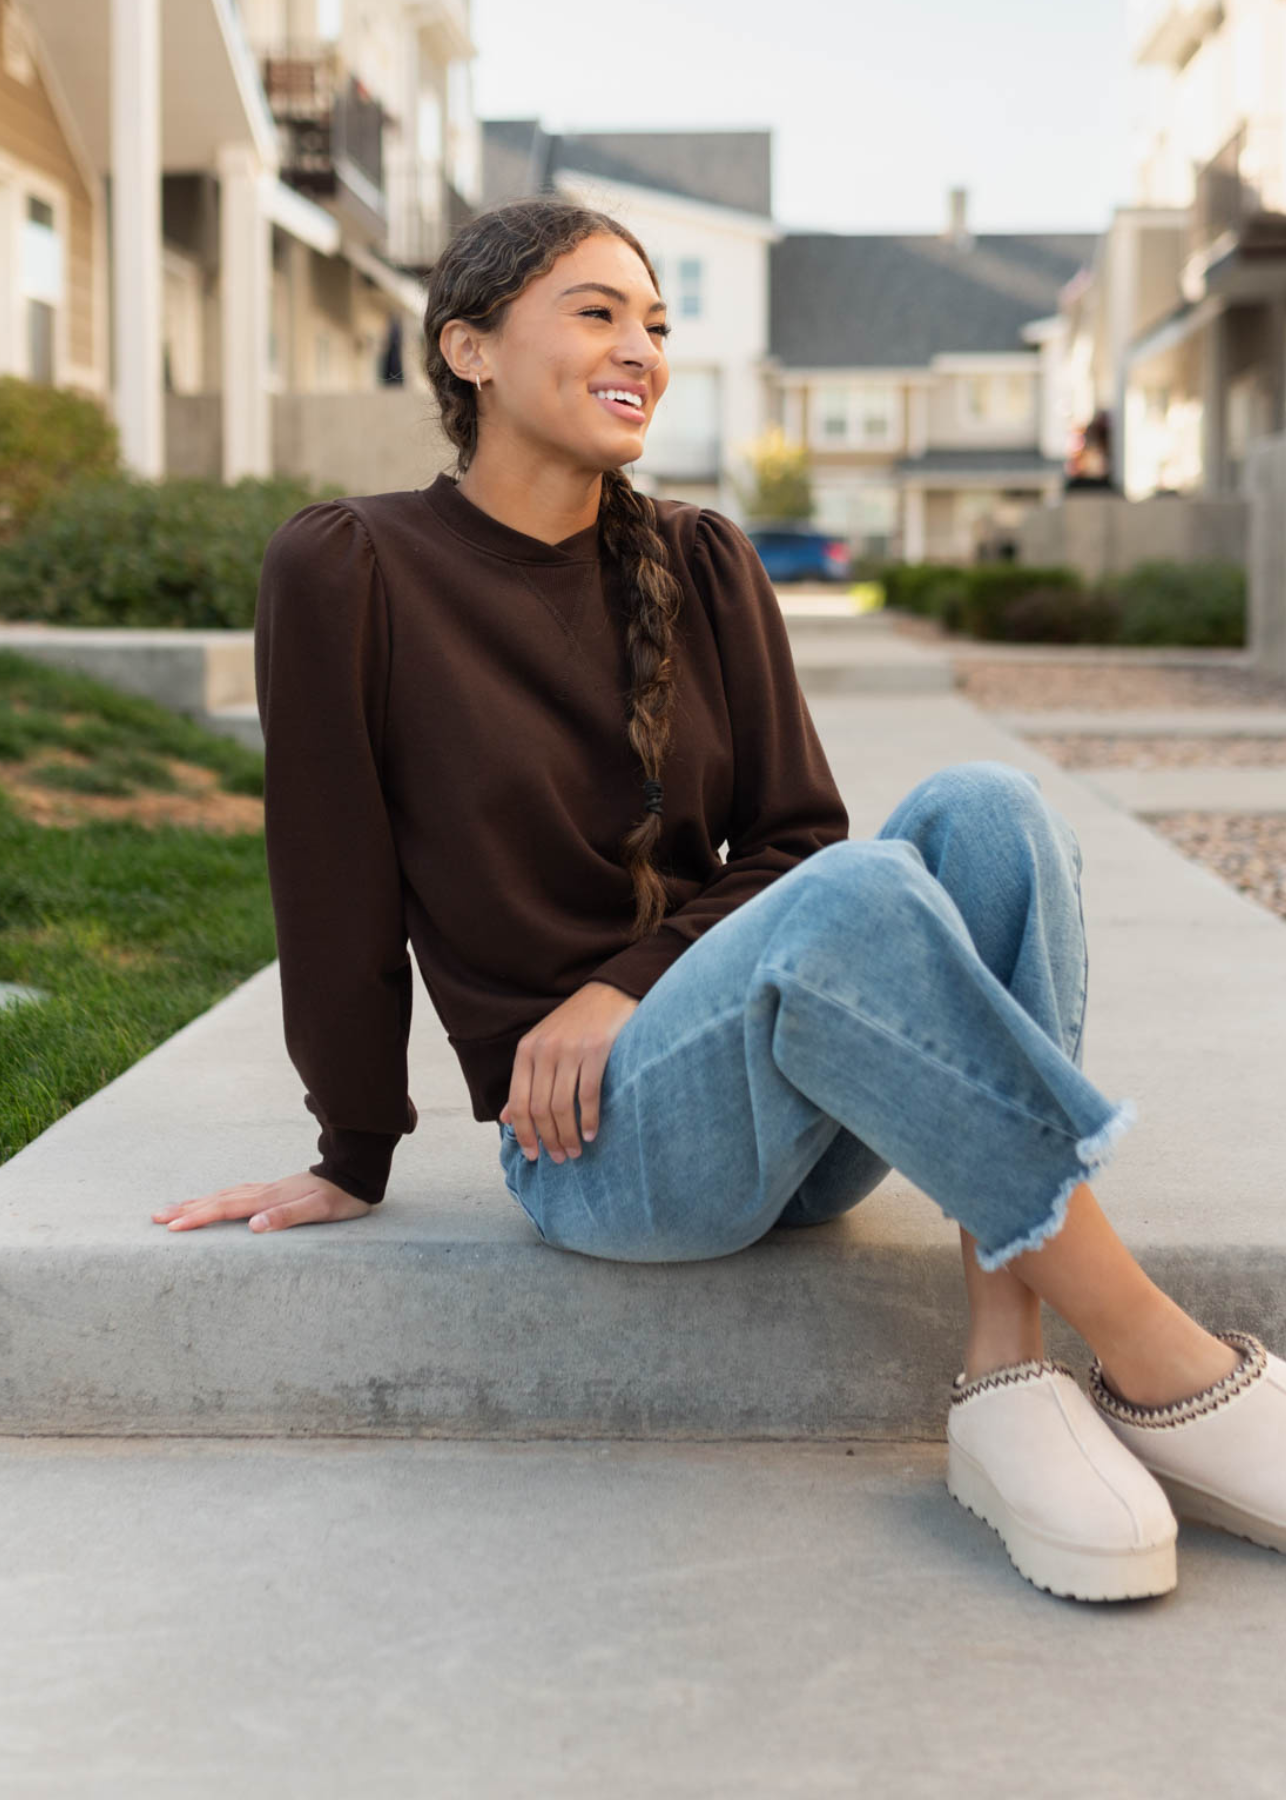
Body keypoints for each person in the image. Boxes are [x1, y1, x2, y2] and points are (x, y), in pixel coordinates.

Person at [151, 196, 1285, 1602]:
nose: (640, 346)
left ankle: (1009, 1376)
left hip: (788, 1113)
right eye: (594, 311)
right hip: (600, 1153)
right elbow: (327, 878)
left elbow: (796, 840)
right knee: (866, 889)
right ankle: (1161, 1359)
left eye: (655, 322)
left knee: (986, 811)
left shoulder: (699, 560)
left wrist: (617, 982)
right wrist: (352, 1147)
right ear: (469, 350)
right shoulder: (350, 566)